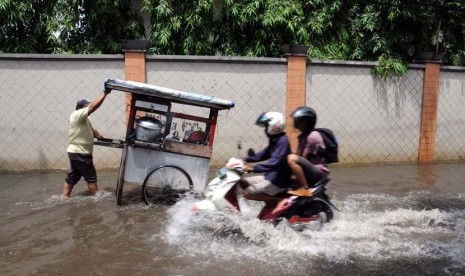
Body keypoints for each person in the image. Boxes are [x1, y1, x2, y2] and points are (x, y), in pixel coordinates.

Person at [61, 86, 112, 199]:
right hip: (81, 153)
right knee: (91, 177)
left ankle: (64, 197)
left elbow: (92, 130)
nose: (88, 107)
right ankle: (97, 198)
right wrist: (105, 94)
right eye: (86, 106)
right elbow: (93, 107)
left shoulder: (85, 119)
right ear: (80, 108)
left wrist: (98, 135)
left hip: (76, 152)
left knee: (73, 177)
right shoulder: (76, 115)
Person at [240, 112, 293, 205]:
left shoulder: (283, 141)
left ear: (275, 127)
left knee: (247, 193)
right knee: (242, 182)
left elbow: (274, 162)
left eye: (266, 127)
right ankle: (269, 201)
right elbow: (262, 154)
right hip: (270, 177)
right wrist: (245, 160)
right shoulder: (275, 140)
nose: (265, 130)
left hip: (279, 181)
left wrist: (253, 168)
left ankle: (279, 201)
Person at [287, 106, 330, 197]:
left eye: (298, 121)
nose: (295, 123)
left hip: (318, 172)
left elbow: (303, 157)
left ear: (307, 122)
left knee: (291, 158)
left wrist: (294, 175)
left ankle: (304, 188)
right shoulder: (303, 136)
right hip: (310, 168)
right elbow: (298, 154)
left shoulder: (313, 136)